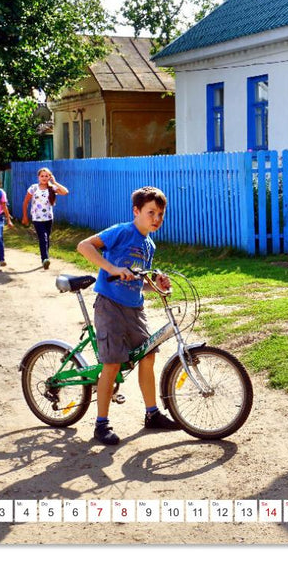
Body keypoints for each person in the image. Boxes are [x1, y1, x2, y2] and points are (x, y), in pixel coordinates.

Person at [77, 186, 180, 446]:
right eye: (151, 213)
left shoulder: (149, 244)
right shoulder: (123, 231)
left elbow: (136, 281)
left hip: (135, 308)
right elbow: (84, 246)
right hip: (110, 306)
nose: (156, 218)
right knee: (111, 364)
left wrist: (156, 284)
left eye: (160, 214)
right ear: (136, 211)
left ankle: (152, 414)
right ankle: (101, 425)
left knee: (148, 356)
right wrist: (111, 267)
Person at [21, 167, 68, 270]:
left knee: (47, 238)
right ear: (38, 177)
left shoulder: (52, 188)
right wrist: (25, 216)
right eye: (42, 176)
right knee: (43, 238)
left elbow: (65, 192)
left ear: (49, 177)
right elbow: (25, 202)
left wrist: (55, 182)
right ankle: (45, 259)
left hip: (49, 218)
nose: (44, 178)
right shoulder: (33, 188)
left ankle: (45, 257)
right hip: (37, 219)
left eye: (47, 176)